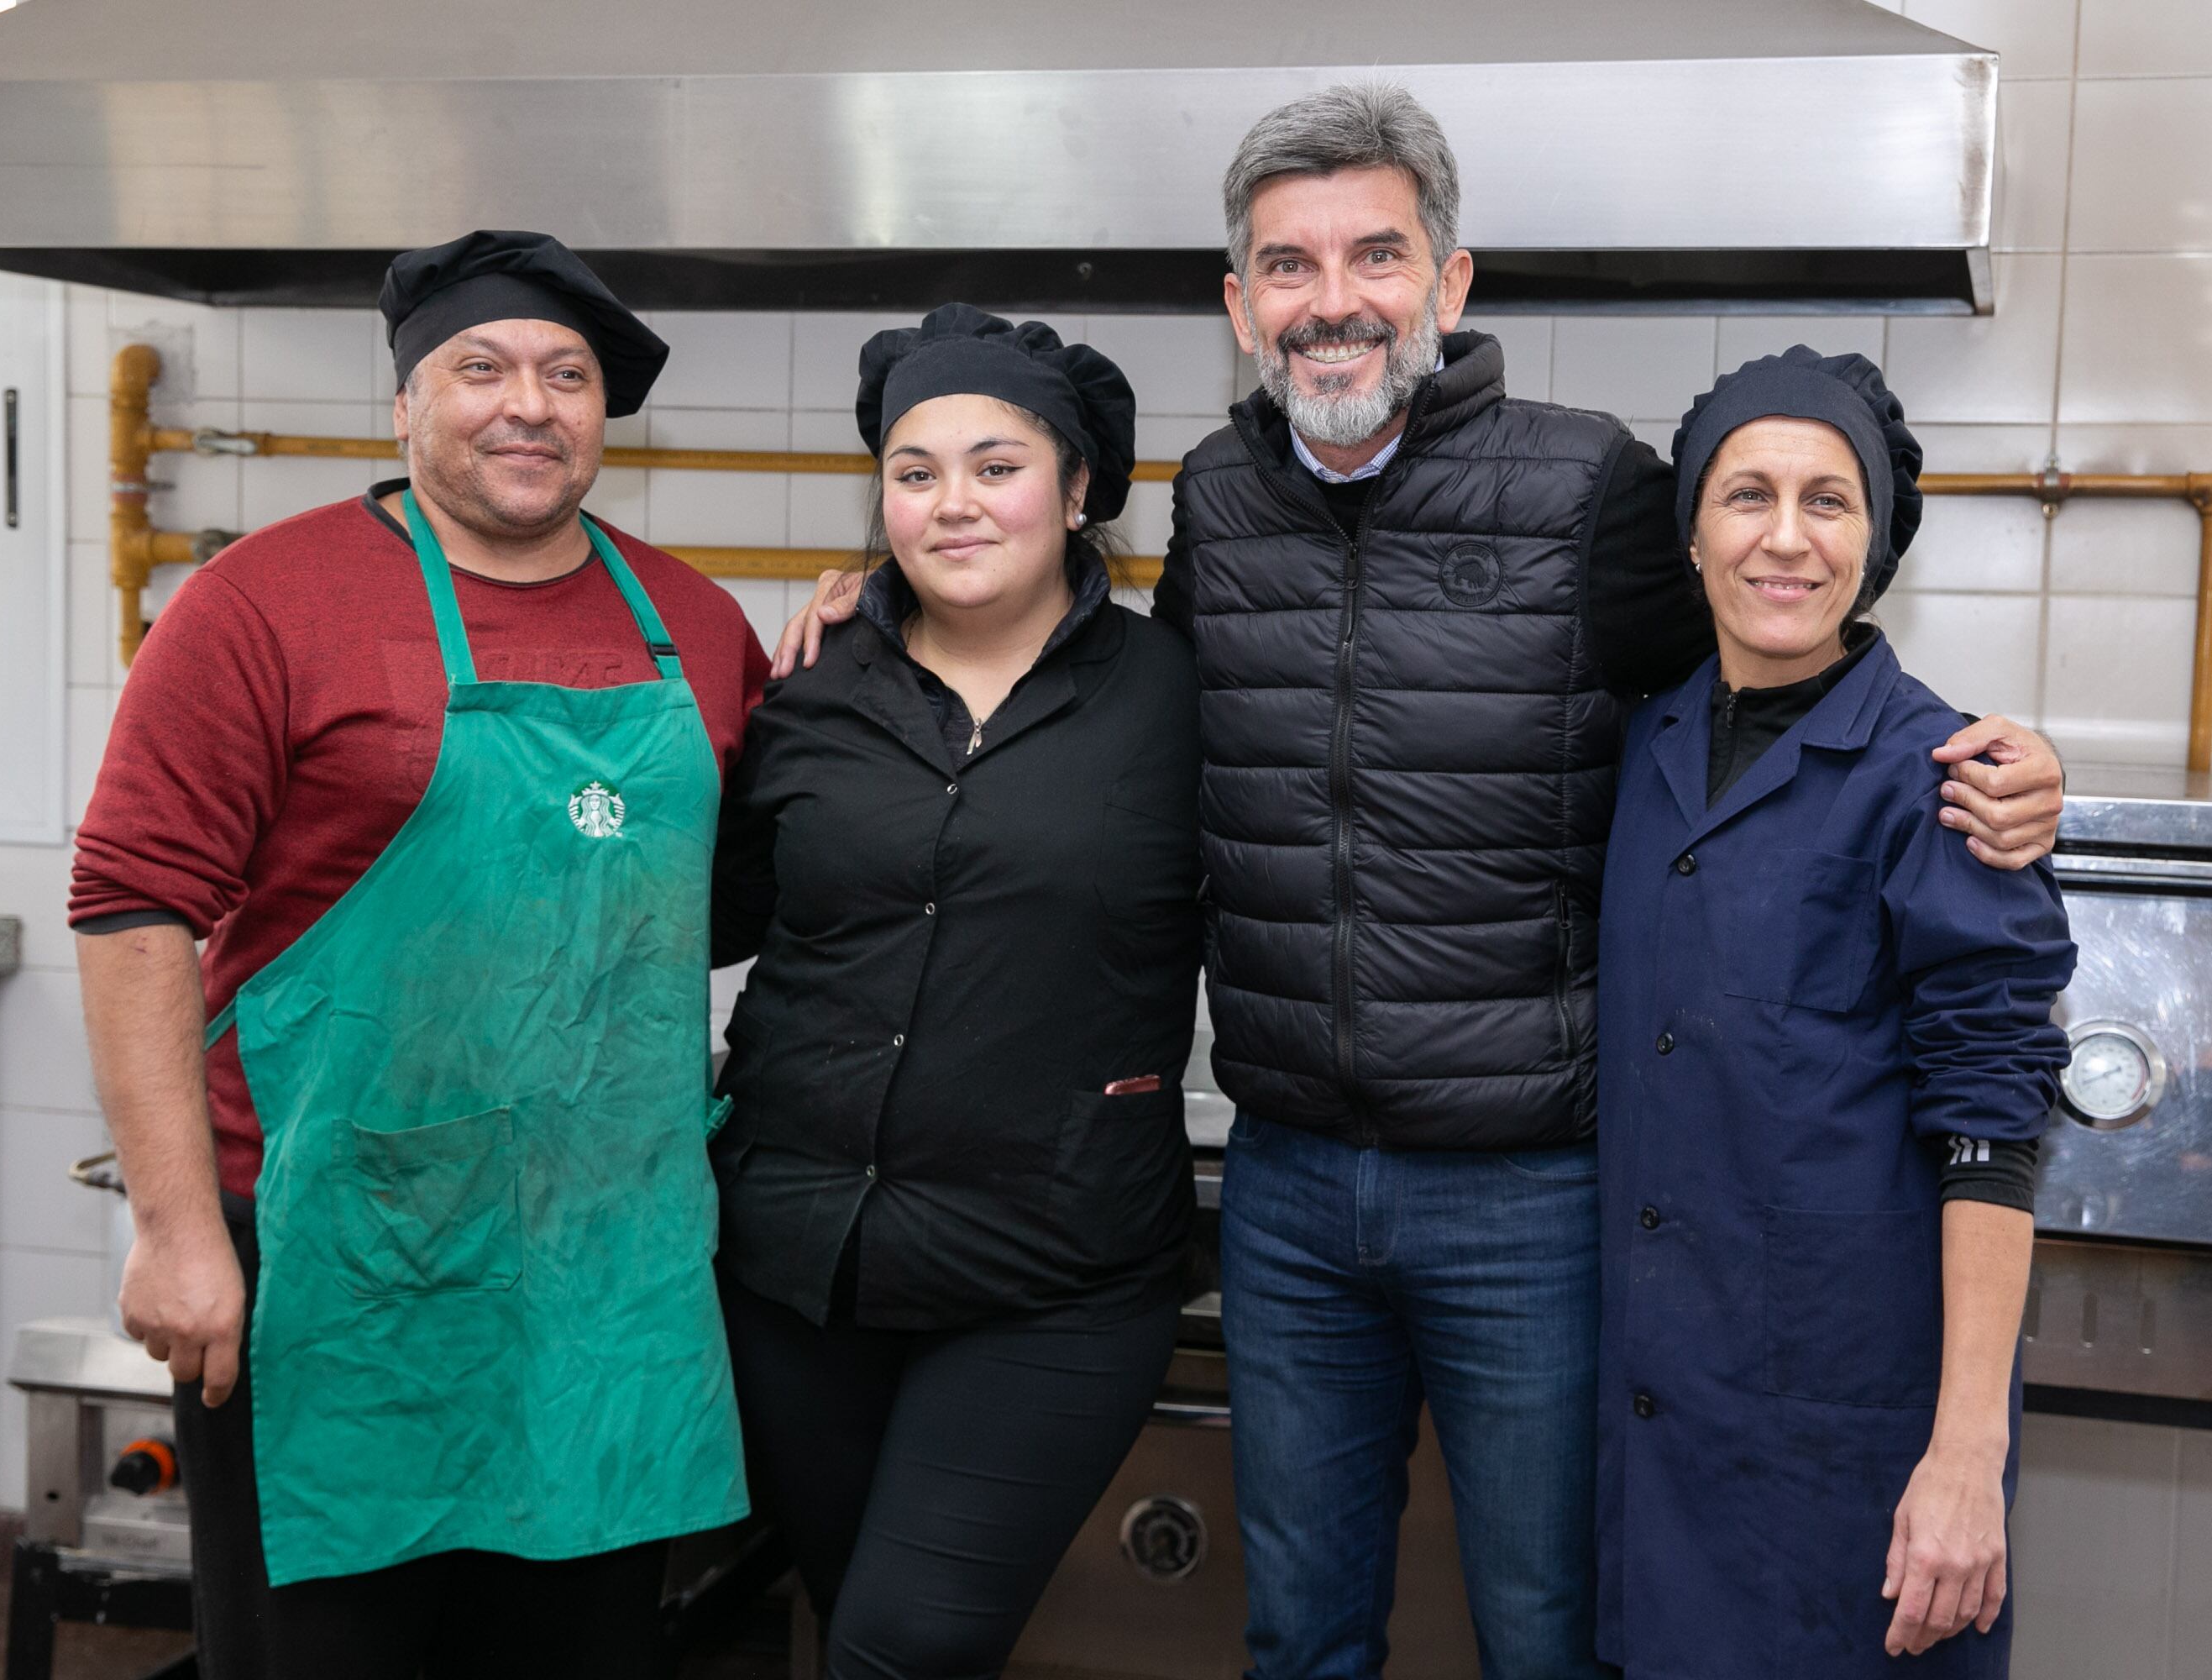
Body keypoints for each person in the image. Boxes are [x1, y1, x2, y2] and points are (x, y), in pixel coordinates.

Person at [769, 85, 2066, 1680]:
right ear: (1242, 306)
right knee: (1298, 1635)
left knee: (1542, 1632)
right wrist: (880, 604)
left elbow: (1783, 634)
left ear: (1449, 286)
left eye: (1375, 256)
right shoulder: (1222, 510)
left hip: (1530, 1196)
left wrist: (1994, 761)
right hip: (1293, 1186)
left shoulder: (1588, 492)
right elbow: (1098, 704)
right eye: (1289, 267)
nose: (1334, 302)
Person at [70, 229, 766, 1679]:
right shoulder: (264, 602)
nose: (529, 403)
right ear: (405, 402)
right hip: (338, 1273)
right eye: (483, 367)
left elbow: (750, 888)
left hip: (602, 1274)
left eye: (567, 374)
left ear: (601, 412)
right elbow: (133, 900)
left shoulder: (695, 624)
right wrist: (176, 1228)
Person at [710, 305, 1202, 1680]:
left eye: (998, 465)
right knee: (852, 1609)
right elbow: (712, 915)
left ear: (1080, 490)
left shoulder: (1179, 700)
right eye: (915, 472)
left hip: (1050, 1276)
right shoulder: (808, 690)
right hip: (801, 1273)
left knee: (900, 1648)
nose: (954, 504)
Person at [1595, 347, 2075, 1677]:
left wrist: (1970, 1461)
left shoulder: (1947, 779)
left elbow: (1996, 1122)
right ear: (1693, 532)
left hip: (1853, 1440)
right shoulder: (1641, 748)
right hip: (1659, 1423)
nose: (1786, 539)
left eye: (1830, 501)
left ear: (1877, 540)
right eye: (1747, 496)